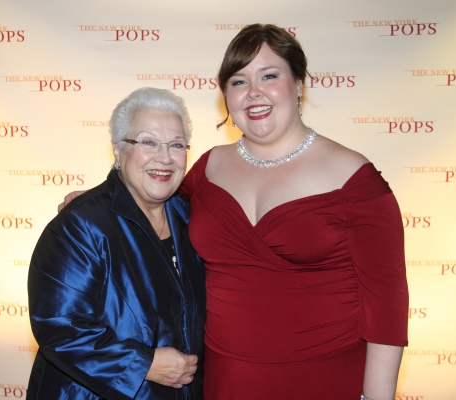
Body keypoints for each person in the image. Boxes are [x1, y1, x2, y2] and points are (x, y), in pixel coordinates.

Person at [61, 24, 408, 400]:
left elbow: (386, 309)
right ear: (226, 96)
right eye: (239, 82)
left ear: (298, 84)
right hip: (225, 379)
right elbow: (147, 195)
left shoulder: (355, 178)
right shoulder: (208, 168)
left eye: (270, 76)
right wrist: (96, 203)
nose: (254, 93)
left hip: (325, 377)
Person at [28, 87, 206, 400]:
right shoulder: (80, 225)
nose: (164, 158)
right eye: (148, 142)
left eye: (176, 145)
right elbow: (59, 327)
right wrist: (143, 364)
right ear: (117, 149)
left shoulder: (191, 218)